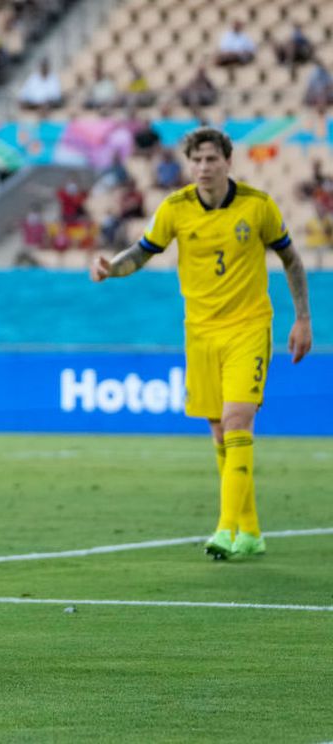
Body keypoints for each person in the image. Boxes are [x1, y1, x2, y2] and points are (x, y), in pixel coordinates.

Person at [89, 127, 312, 560]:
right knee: (217, 428)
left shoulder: (258, 206)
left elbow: (291, 259)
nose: (204, 168)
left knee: (236, 421)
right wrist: (112, 268)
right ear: (188, 165)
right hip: (200, 332)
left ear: (228, 161)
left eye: (212, 159)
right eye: (197, 161)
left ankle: (225, 530)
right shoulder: (176, 209)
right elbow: (143, 250)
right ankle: (251, 531)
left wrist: (303, 318)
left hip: (249, 327)